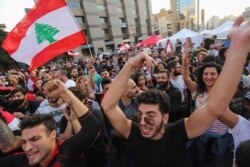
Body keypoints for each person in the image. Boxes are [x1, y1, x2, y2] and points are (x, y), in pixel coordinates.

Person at [101, 16, 250, 167]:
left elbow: (215, 107)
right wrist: (131, 63)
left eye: (151, 115)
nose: (142, 121)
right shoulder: (133, 132)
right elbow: (108, 106)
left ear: (165, 118)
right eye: (140, 114)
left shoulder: (177, 133)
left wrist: (239, 47)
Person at [0, 79, 101, 167]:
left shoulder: (68, 151)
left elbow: (91, 127)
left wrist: (64, 93)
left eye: (35, 139)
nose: (27, 148)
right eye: (24, 142)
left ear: (52, 134)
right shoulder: (20, 160)